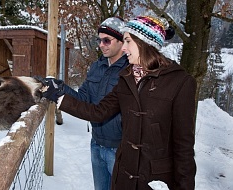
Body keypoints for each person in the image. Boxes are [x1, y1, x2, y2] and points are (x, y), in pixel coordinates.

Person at [42, 15, 196, 190]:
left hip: (155, 180)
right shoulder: (127, 78)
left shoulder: (180, 82)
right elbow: (98, 112)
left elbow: (183, 147)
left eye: (127, 41)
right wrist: (57, 94)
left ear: (144, 43)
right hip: (124, 174)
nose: (124, 48)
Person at [46, 16, 128, 190]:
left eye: (107, 40)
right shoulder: (96, 67)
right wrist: (58, 87)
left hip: (120, 150)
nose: (101, 45)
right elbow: (83, 99)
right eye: (99, 40)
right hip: (96, 144)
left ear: (122, 42)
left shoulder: (130, 70)